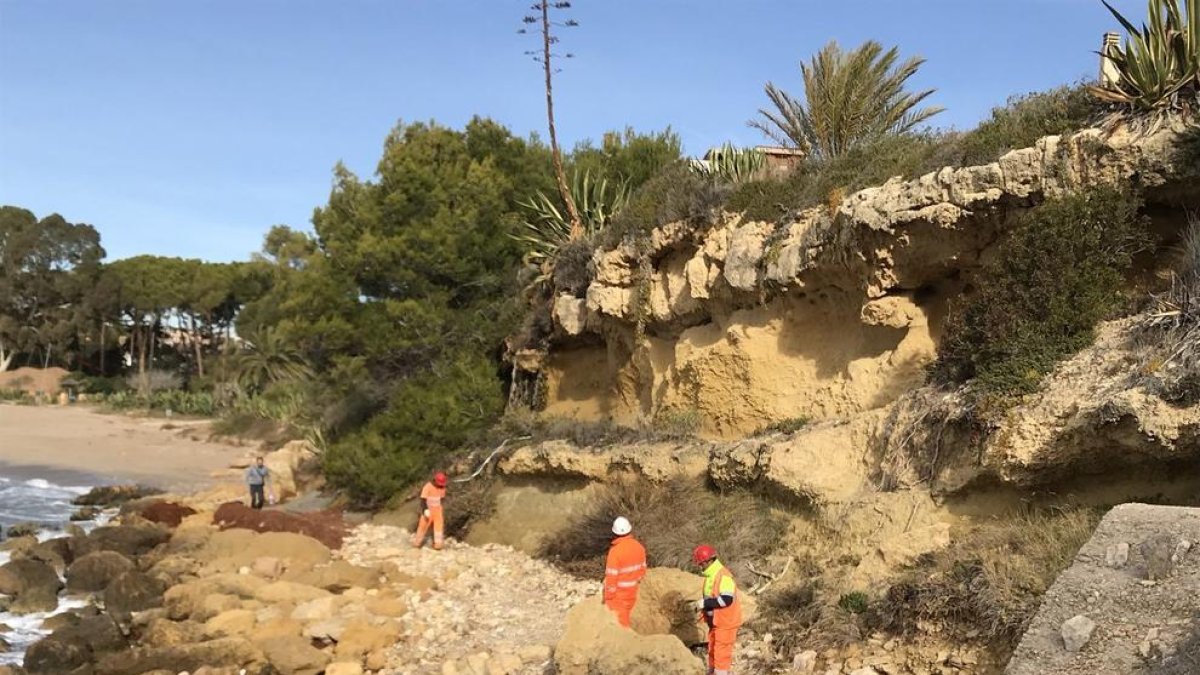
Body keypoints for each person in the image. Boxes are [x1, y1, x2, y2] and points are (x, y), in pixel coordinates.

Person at [690, 544, 742, 675]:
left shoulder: (723, 575)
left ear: (708, 561)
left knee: (721, 654)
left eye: (701, 564)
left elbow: (726, 600)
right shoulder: (711, 575)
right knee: (713, 650)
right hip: (716, 623)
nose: (700, 567)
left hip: (726, 623)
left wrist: (704, 603)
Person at [602, 516, 647, 628]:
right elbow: (643, 570)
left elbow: (611, 576)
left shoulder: (615, 551)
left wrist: (608, 597)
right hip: (635, 592)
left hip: (619, 596)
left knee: (622, 626)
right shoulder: (639, 547)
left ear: (615, 533)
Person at [411, 471, 449, 550]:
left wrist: (440, 507)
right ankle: (417, 543)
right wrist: (425, 509)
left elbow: (442, 499)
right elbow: (423, 500)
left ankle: (438, 544)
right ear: (435, 481)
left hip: (438, 510)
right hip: (428, 510)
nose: (440, 485)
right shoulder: (428, 487)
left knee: (438, 527)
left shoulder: (442, 487)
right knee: (423, 526)